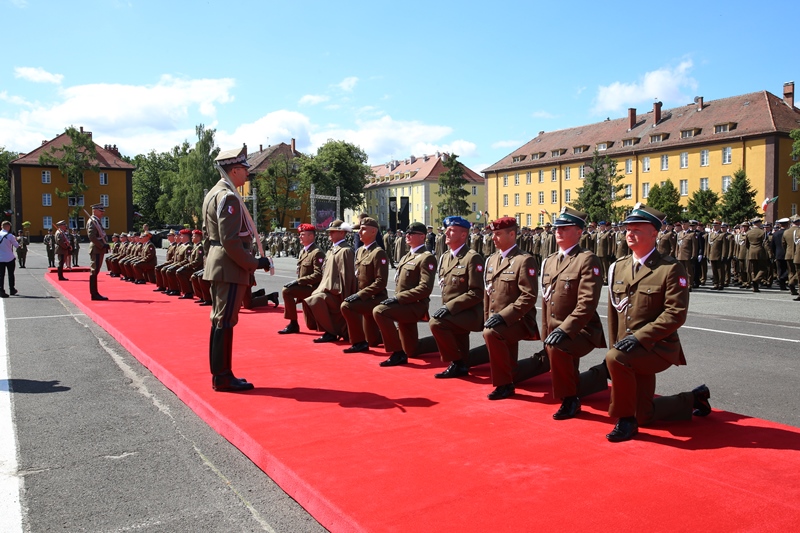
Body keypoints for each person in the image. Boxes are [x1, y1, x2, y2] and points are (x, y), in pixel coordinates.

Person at [604, 204, 711, 443]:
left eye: (637, 230)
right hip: (627, 348)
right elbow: (614, 314)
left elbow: (675, 314)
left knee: (616, 359)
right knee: (644, 414)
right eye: (628, 229)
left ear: (654, 233)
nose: (630, 234)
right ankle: (694, 399)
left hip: (656, 346)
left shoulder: (670, 268)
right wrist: (615, 345)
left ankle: (625, 420)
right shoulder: (618, 267)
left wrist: (637, 339)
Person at [202, 146, 273, 392]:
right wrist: (255, 263)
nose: (247, 173)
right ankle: (222, 377)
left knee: (220, 320)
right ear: (234, 170)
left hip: (220, 264)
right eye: (244, 169)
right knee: (224, 321)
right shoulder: (229, 197)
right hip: (229, 266)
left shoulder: (214, 193)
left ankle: (221, 374)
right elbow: (230, 241)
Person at [540, 207, 608, 419]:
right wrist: (547, 330)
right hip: (556, 328)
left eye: (565, 228)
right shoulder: (550, 260)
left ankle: (570, 400)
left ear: (579, 232)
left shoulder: (586, 259)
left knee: (558, 349)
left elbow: (587, 302)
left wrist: (565, 329)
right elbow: (547, 300)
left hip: (581, 329)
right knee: (561, 362)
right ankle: (600, 374)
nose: (558, 231)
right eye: (557, 228)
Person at [482, 216, 540, 400]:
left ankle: (505, 385)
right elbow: (489, 294)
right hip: (497, 318)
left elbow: (528, 296)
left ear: (512, 234)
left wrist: (503, 317)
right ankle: (519, 371)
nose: (493, 238)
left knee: (492, 333)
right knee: (493, 334)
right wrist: (488, 317)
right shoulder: (492, 260)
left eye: (498, 234)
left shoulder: (524, 260)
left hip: (519, 319)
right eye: (493, 234)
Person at [373, 222, 437, 367]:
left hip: (415, 305)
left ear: (422, 237)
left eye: (411, 233)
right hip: (403, 304)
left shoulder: (426, 257)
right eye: (407, 233)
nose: (407, 235)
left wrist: (398, 298)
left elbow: (425, 288)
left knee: (380, 311)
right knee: (411, 349)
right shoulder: (406, 256)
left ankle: (397, 353)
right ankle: (443, 341)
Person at [427, 216, 484, 378]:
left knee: (436, 323)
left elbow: (477, 292)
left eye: (451, 230)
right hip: (453, 311)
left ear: (463, 235)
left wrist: (449, 307)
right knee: (459, 340)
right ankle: (462, 363)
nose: (446, 233)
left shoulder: (471, 257)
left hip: (469, 312)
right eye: (447, 230)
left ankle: (457, 363)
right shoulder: (446, 256)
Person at [302, 220, 356, 343]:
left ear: (342, 233)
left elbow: (347, 277)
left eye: (333, 232)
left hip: (337, 293)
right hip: (327, 289)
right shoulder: (332, 249)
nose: (329, 234)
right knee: (312, 298)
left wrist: (346, 297)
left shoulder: (345, 251)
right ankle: (329, 330)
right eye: (329, 231)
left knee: (315, 300)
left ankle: (332, 331)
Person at [341, 217, 389, 353]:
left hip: (374, 298)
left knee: (347, 307)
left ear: (373, 232)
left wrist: (360, 295)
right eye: (359, 229)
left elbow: (380, 282)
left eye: (363, 229)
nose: (359, 232)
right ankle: (390, 334)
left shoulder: (378, 253)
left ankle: (359, 342)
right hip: (363, 298)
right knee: (373, 340)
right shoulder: (360, 251)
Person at [278, 224, 325, 334]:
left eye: (303, 234)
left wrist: (298, 282)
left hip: (313, 288)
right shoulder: (303, 251)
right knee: (311, 326)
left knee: (287, 291)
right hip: (305, 288)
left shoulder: (317, 252)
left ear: (311, 236)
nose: (300, 237)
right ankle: (294, 323)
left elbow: (318, 275)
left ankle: (293, 324)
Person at [87, 203, 110, 300]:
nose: (102, 213)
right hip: (96, 249)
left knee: (96, 270)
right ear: (94, 210)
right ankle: (94, 294)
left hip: (98, 249)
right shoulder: (93, 221)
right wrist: (101, 245)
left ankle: (95, 293)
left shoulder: (97, 221)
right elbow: (91, 236)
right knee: (94, 271)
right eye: (100, 211)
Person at [0, 221, 20, 297]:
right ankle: (12, 289)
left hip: (0, 258)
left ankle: (1, 290)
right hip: (9, 257)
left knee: (1, 275)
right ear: (8, 227)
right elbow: (16, 245)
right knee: (11, 274)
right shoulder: (10, 235)